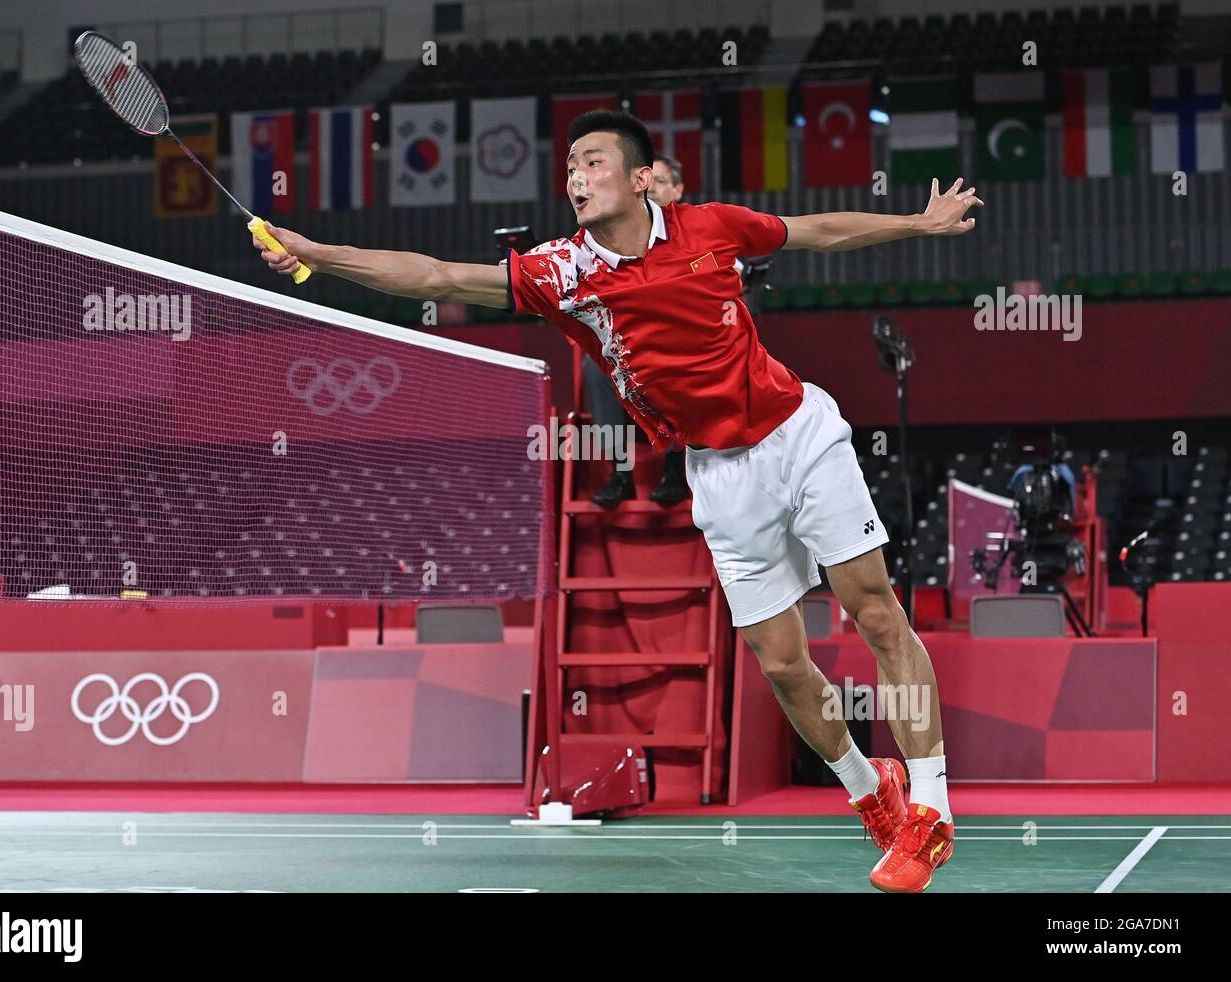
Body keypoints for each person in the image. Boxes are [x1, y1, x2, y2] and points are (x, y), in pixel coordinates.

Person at [252, 110, 982, 893]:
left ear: (639, 178)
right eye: (568, 167)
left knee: (874, 610)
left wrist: (918, 220)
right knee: (781, 663)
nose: (575, 176)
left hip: (797, 434)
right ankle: (873, 793)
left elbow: (817, 230)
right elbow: (437, 276)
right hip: (717, 475)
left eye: (592, 162)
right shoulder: (561, 271)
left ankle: (932, 811)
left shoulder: (711, 226)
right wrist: (318, 255)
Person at [583, 152, 691, 507]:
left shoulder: (695, 233)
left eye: (661, 182)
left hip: (682, 353)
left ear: (678, 189)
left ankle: (676, 466)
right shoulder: (616, 239)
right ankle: (620, 473)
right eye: (647, 183)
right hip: (631, 353)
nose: (652, 189)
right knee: (594, 366)